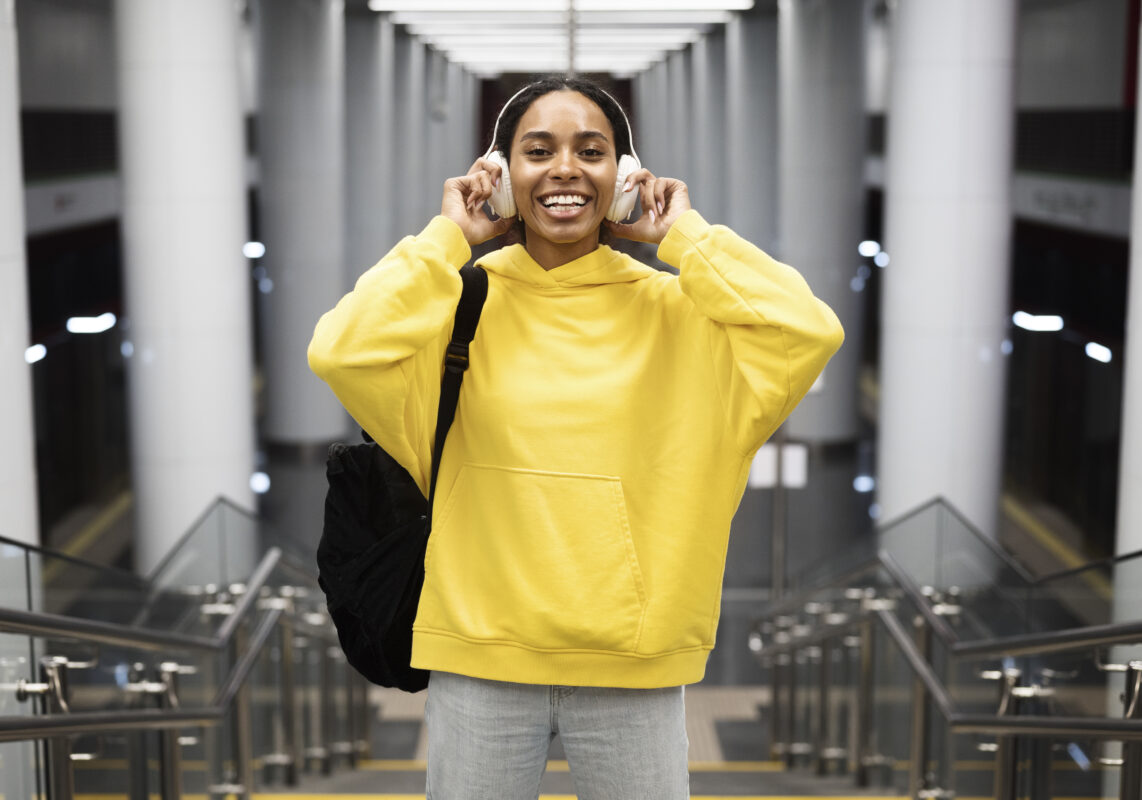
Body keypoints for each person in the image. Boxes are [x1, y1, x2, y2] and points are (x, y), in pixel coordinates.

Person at [308, 76, 844, 800]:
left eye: (590, 151)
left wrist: (685, 237)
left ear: (624, 178)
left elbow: (807, 331)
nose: (564, 168)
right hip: (480, 662)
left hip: (634, 667)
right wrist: (446, 239)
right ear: (499, 179)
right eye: (538, 151)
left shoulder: (680, 315)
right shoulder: (458, 307)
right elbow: (341, 350)